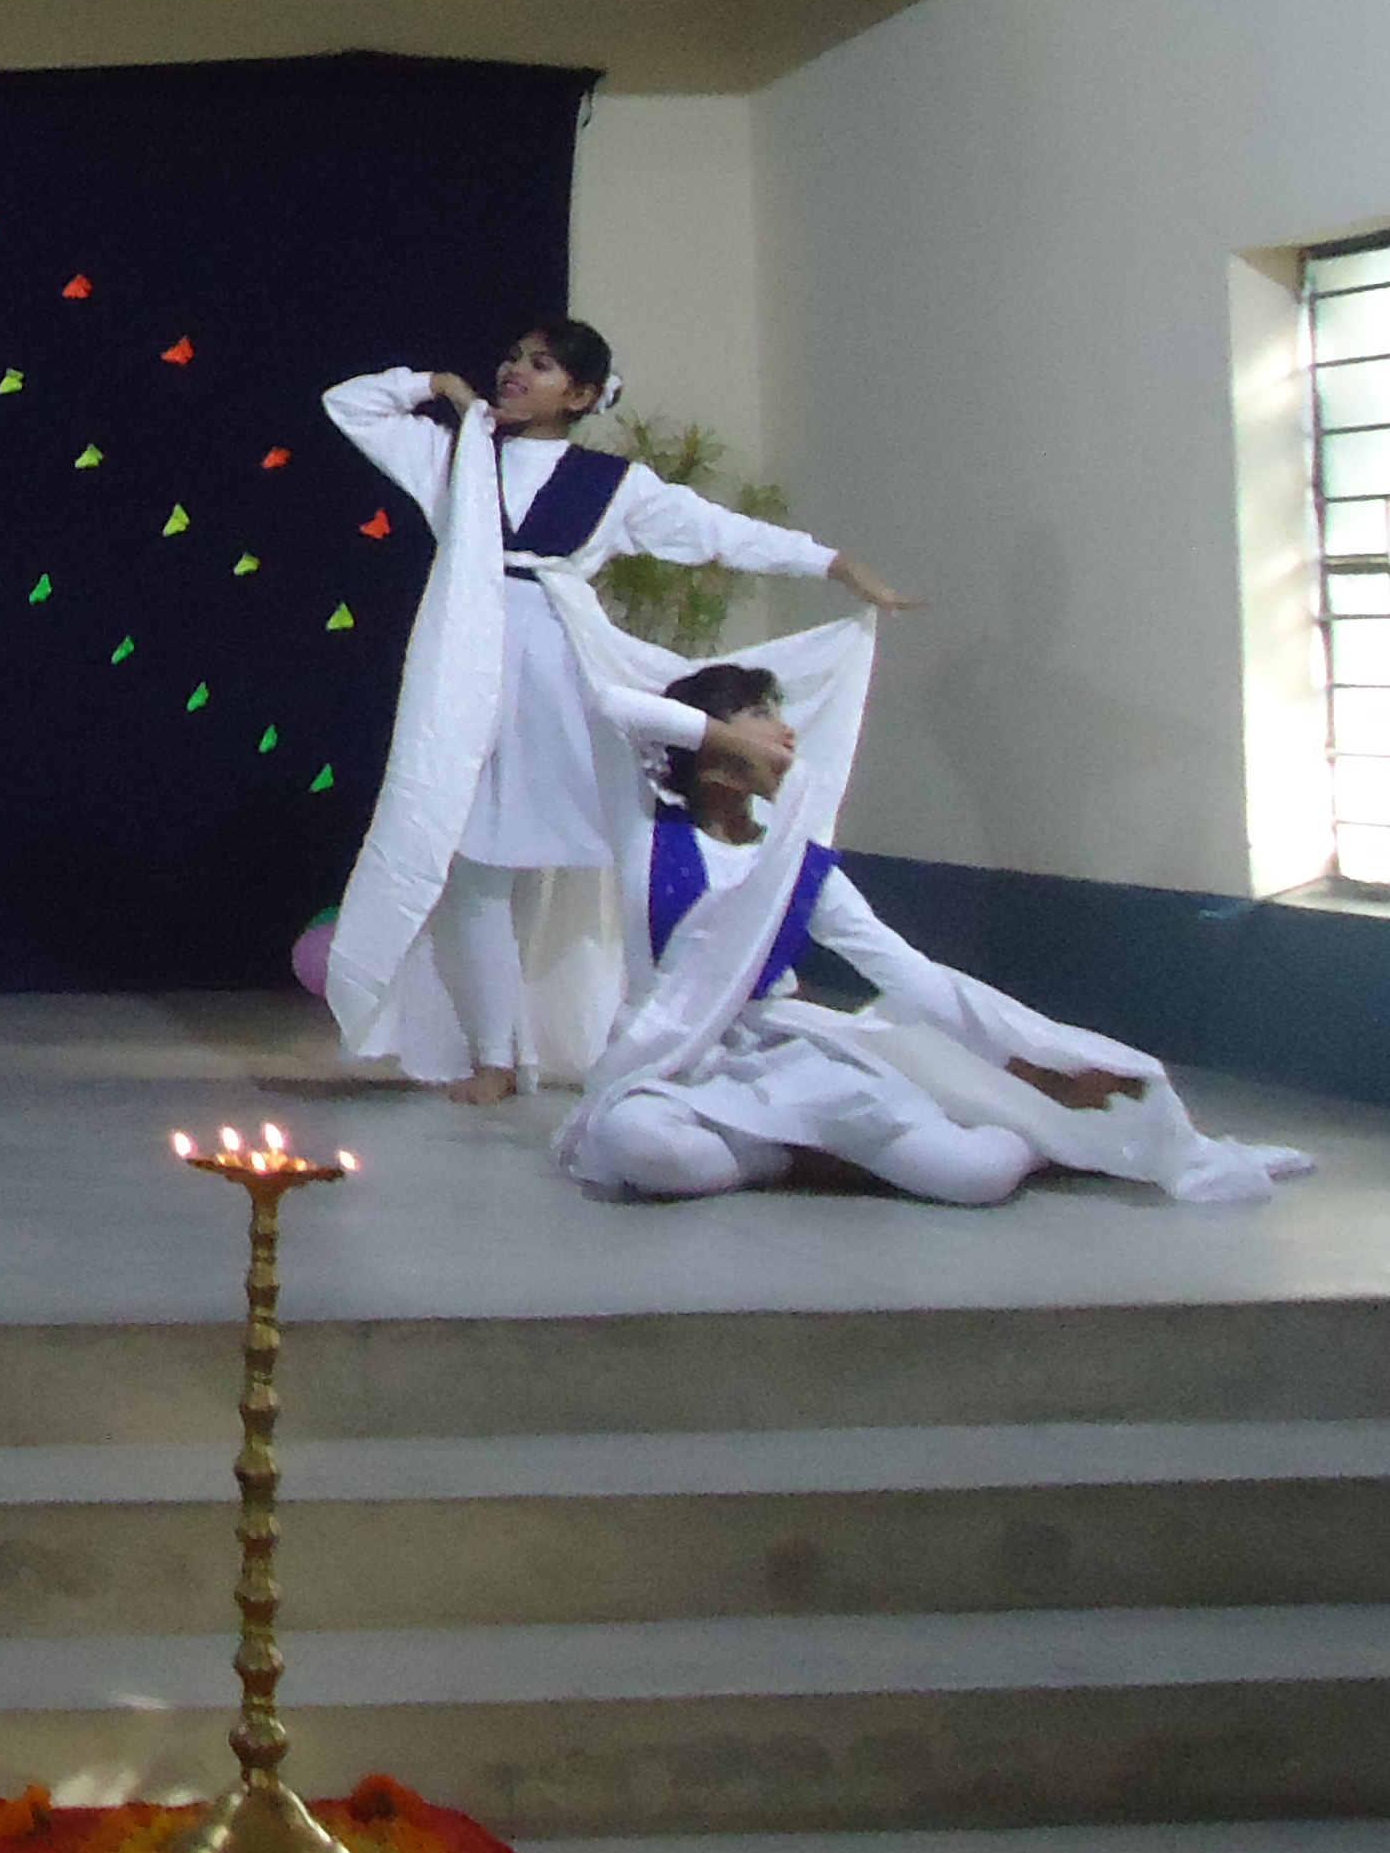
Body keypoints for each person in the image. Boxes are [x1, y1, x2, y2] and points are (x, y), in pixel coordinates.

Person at [320, 321, 917, 1104]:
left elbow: (720, 534)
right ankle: (496, 1056)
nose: (514, 371)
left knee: (634, 847)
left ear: (580, 395)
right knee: (470, 867)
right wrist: (435, 386)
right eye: (513, 358)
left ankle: (707, 1017)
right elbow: (350, 405)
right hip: (463, 683)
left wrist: (835, 564)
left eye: (540, 365)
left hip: (565, 681)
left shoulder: (612, 485)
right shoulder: (458, 455)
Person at [550, 624, 1305, 1209]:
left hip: (789, 1050)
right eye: (759, 716)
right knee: (639, 1143)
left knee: (976, 1176)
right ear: (705, 736)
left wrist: (1028, 1063)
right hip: (675, 1062)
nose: (786, 733)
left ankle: (848, 1144)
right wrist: (726, 743)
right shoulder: (646, 831)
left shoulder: (801, 865)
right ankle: (807, 1154)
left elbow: (907, 973)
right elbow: (607, 706)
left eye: (780, 716)